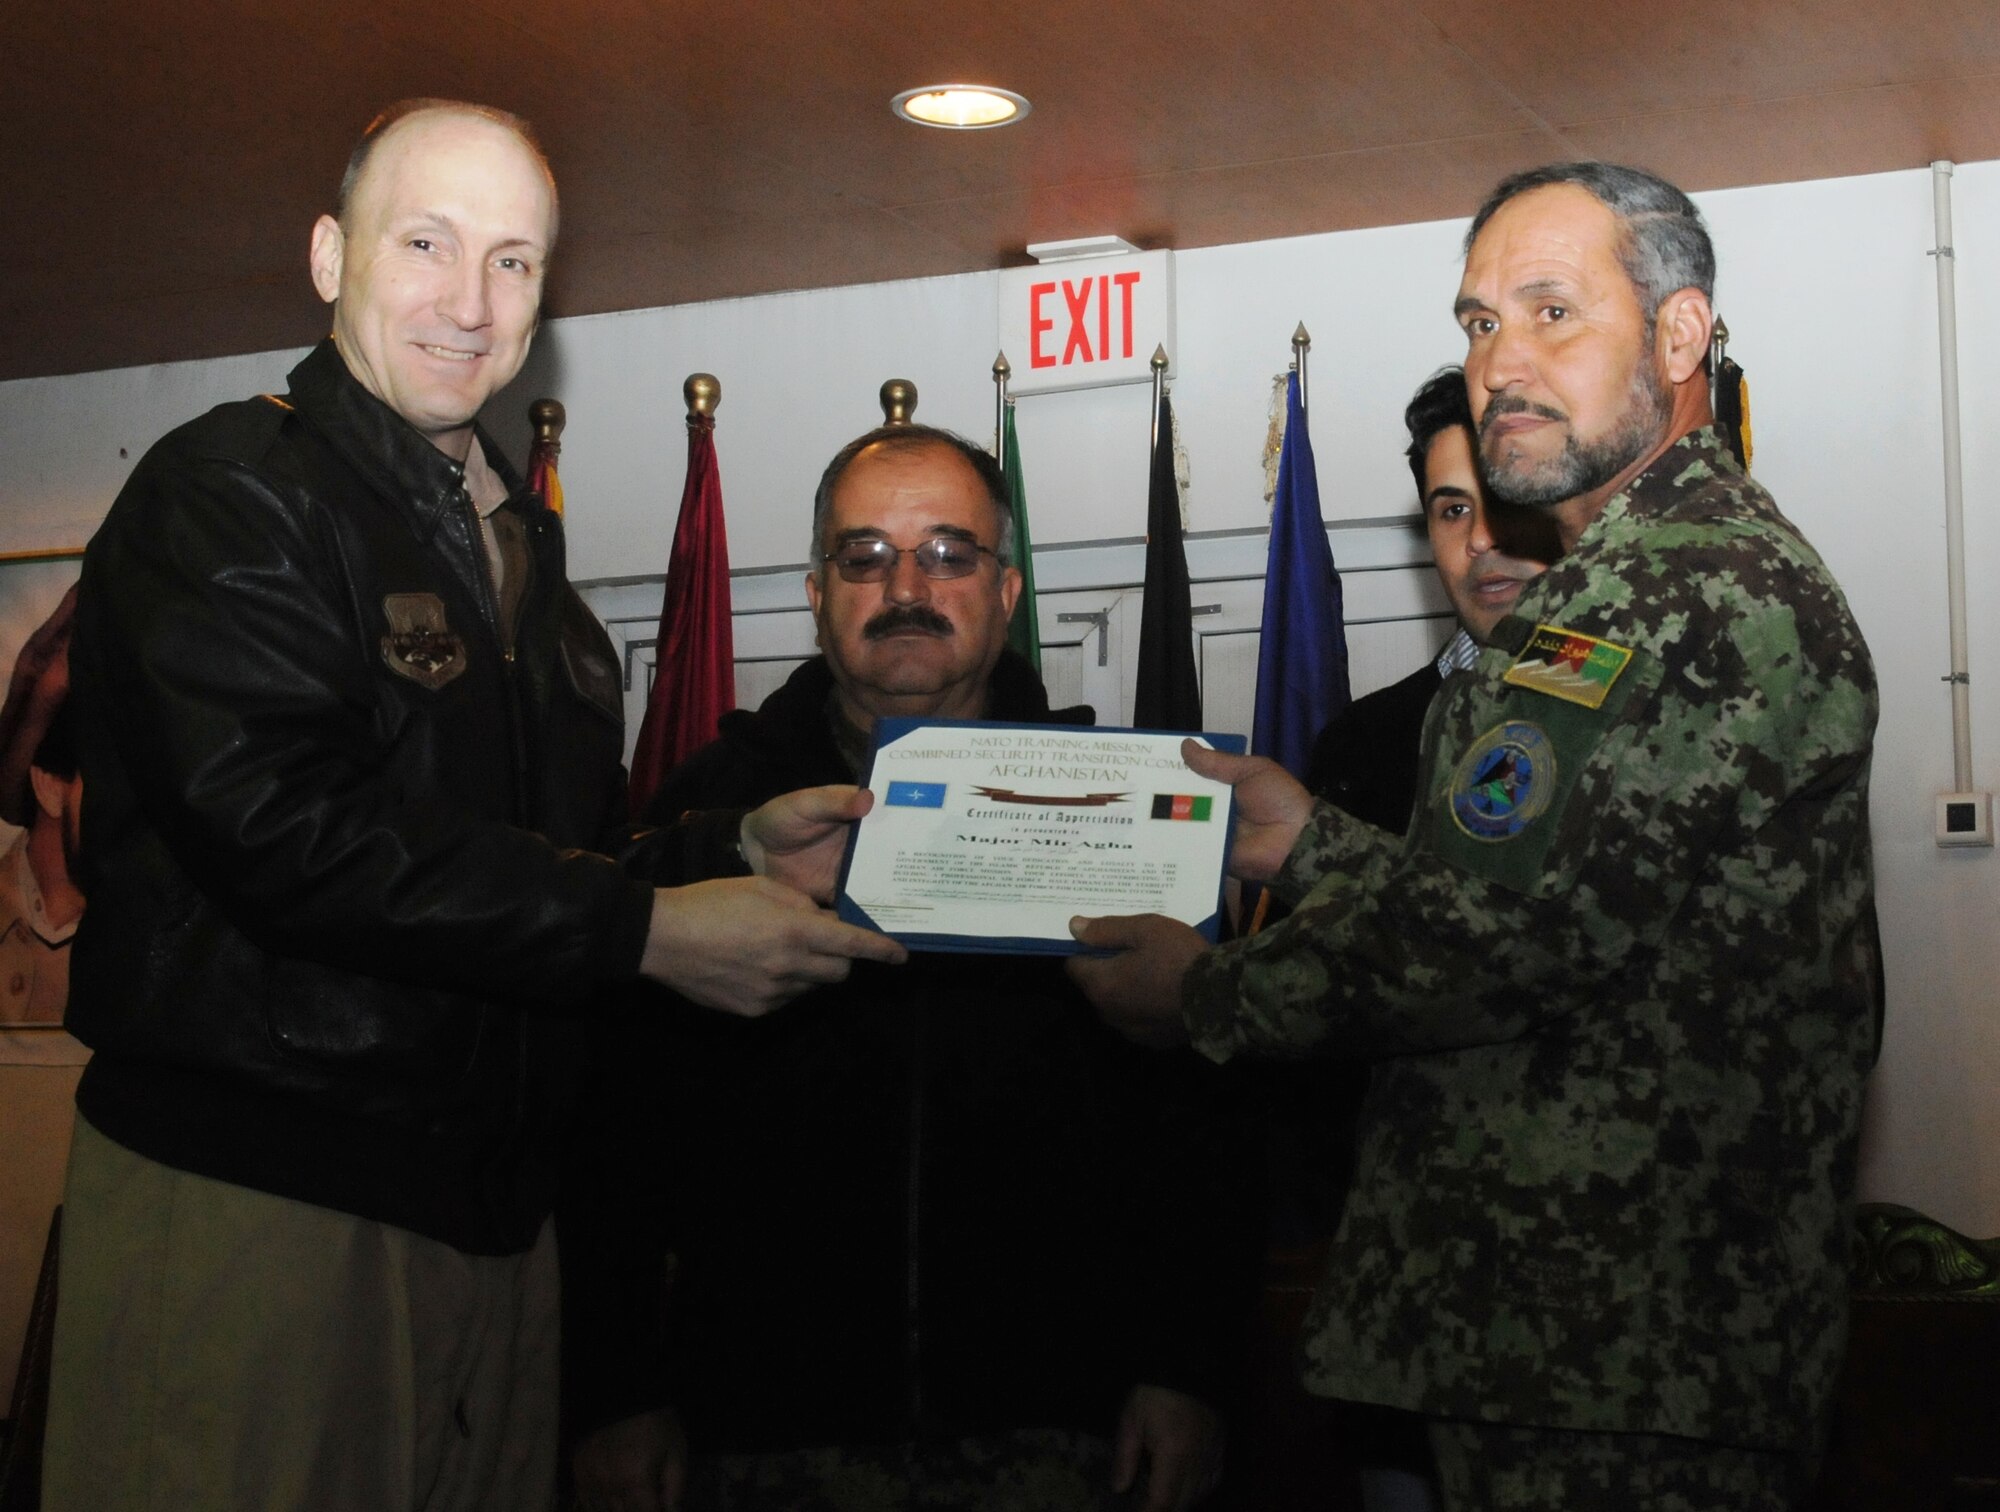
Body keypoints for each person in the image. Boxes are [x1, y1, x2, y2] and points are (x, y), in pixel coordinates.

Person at [44, 98, 900, 1512]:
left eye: (514, 261)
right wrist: (646, 932)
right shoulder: (229, 490)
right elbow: (290, 836)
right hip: (271, 1208)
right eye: (426, 242)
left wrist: (711, 852)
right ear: (331, 256)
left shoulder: (523, 557)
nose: (469, 299)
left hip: (496, 1223)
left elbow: (523, 868)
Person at [1069, 161, 1879, 1512]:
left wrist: (1198, 992)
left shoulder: (1681, 588)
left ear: (1681, 339)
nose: (1502, 361)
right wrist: (1315, 843)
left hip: (1623, 1353)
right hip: (1574, 1342)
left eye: (1552, 311)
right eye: (1480, 321)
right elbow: (1565, 913)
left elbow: (1489, 947)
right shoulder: (1632, 580)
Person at [560, 424, 1256, 1512]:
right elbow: (604, 1124)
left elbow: (1195, 1127)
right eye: (864, 556)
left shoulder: (1128, 811)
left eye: (946, 553)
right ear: (814, 589)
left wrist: (1189, 1368)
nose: (905, 587)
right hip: (753, 1437)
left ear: (1007, 589)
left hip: (1060, 1433)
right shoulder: (704, 813)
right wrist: (610, 1390)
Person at [1304, 367, 1556, 833]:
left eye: (1507, 499)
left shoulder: (1646, 713)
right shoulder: (1361, 744)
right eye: (1454, 511)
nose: (1480, 538)